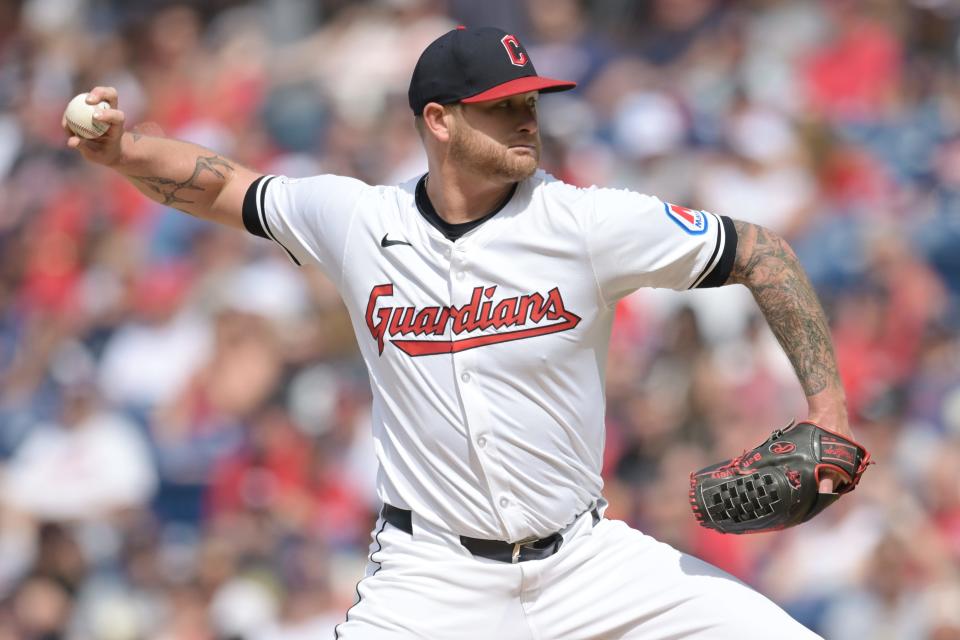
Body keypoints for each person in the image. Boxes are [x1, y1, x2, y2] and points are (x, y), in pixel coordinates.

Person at [67, 25, 855, 640]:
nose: (527, 119)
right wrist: (123, 151)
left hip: (588, 561)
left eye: (532, 102)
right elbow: (226, 187)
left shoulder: (583, 222)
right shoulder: (358, 222)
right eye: (503, 105)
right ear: (438, 120)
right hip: (431, 577)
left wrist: (828, 411)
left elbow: (761, 252)